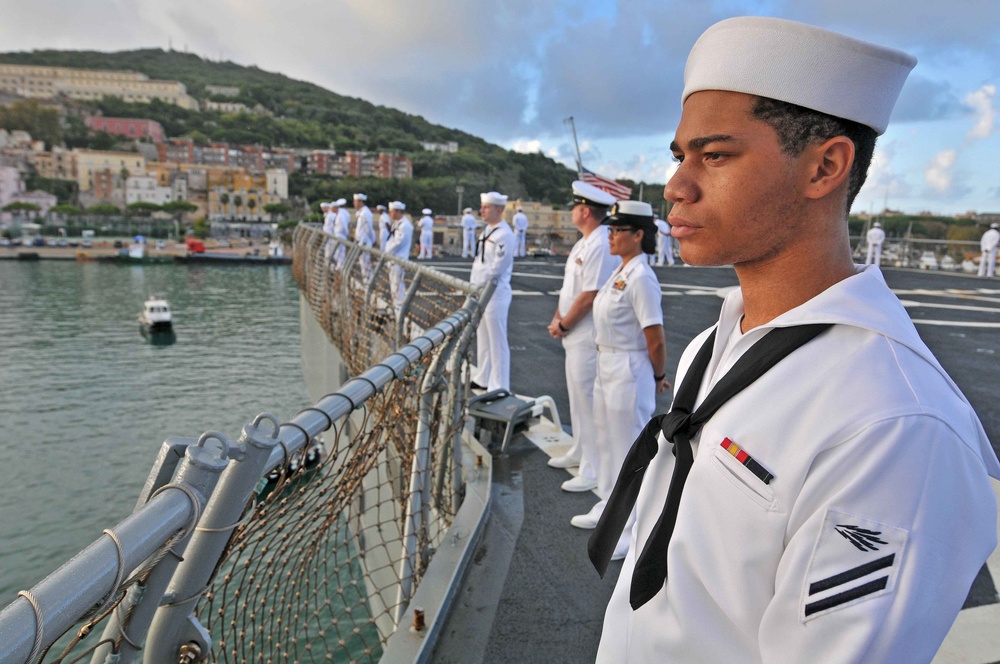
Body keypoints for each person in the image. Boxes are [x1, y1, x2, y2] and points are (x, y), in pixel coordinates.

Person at [592, 17, 1000, 663]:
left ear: (824, 167)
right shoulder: (714, 348)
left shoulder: (892, 425)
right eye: (680, 156)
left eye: (715, 155)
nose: (676, 186)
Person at [572, 200, 667, 561]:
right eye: (609, 230)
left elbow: (655, 337)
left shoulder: (642, 277)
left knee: (630, 448)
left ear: (638, 235)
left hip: (629, 368)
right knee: (608, 442)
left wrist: (659, 376)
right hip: (606, 363)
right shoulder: (621, 271)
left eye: (617, 231)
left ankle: (632, 528)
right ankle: (608, 507)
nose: (610, 236)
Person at [547, 181, 619, 493]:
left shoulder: (600, 243)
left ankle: (592, 468)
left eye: (575, 206)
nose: (572, 211)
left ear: (585, 211)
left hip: (586, 334)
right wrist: (557, 317)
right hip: (573, 332)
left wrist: (564, 325)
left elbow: (589, 295)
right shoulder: (584, 242)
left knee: (588, 402)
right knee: (577, 398)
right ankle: (579, 450)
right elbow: (570, 288)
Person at [469, 191, 514, 391]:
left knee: (497, 340)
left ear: (499, 210)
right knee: (484, 337)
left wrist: (477, 283)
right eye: (482, 206)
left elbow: (497, 268)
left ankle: (499, 385)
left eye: (486, 207)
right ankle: (484, 377)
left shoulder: (504, 235)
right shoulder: (487, 231)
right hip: (481, 291)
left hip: (495, 294)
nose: (482, 210)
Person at [384, 201, 413, 313]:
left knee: (397, 287)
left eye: (391, 211)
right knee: (394, 287)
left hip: (398, 259)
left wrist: (386, 253)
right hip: (393, 259)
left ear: (397, 211)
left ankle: (399, 310)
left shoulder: (405, 226)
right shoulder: (398, 223)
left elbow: (398, 243)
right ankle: (397, 308)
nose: (390, 214)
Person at [354, 193, 376, 281]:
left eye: (355, 201)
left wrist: (372, 240)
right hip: (361, 241)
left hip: (365, 241)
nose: (354, 203)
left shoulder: (366, 213)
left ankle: (368, 283)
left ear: (360, 202)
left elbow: (369, 229)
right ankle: (366, 282)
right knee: (363, 264)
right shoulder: (361, 213)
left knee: (366, 265)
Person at [330, 198, 350, 270]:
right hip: (338, 234)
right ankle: (338, 265)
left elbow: (344, 225)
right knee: (338, 251)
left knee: (341, 251)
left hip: (341, 234)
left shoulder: (341, 214)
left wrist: (346, 233)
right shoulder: (340, 214)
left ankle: (340, 266)